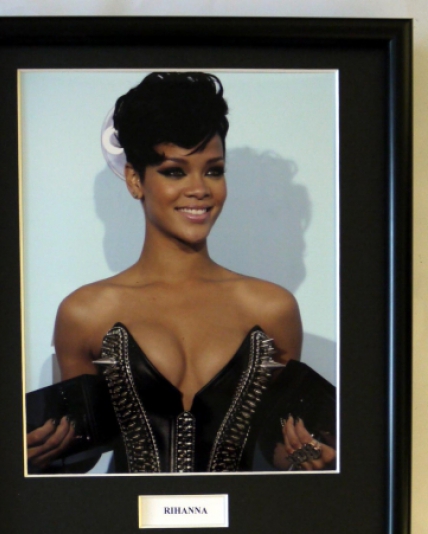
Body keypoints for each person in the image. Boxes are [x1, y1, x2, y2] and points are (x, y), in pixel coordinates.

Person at [26, 72, 336, 473]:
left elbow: (275, 447)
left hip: (241, 514)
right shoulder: (84, 312)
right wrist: (29, 458)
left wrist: (310, 458)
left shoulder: (273, 308)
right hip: (126, 515)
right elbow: (76, 455)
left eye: (213, 170)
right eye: (175, 171)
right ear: (135, 179)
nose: (199, 189)